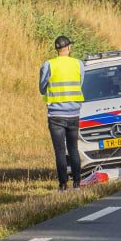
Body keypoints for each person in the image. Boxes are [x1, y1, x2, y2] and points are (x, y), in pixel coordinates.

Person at [39, 36, 85, 191]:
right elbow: (80, 83)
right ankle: (77, 183)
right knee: (73, 148)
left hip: (56, 115)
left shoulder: (49, 65)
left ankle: (63, 184)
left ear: (56, 49)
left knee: (59, 151)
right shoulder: (78, 64)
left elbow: (42, 88)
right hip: (73, 113)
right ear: (69, 47)